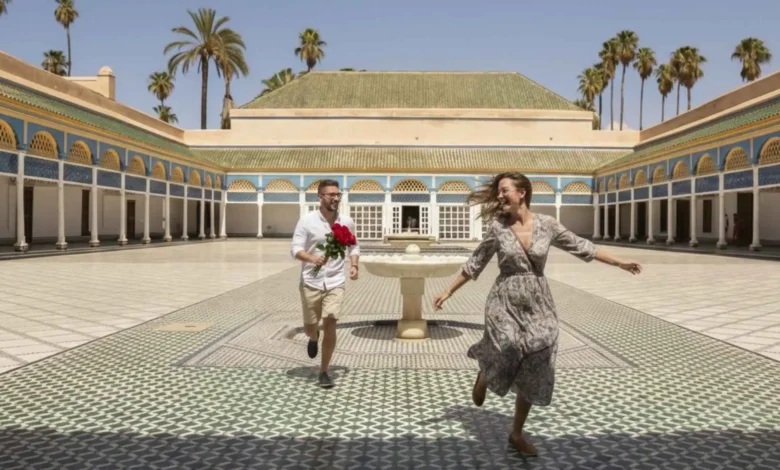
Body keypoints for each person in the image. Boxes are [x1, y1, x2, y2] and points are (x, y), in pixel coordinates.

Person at [432, 172, 641, 456]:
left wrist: (620, 263)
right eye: (499, 192)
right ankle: (485, 370)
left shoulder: (547, 225)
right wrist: (448, 291)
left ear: (522, 193)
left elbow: (583, 247)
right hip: (504, 297)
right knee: (507, 345)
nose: (500, 196)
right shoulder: (497, 227)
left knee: (537, 357)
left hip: (538, 299)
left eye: (504, 191)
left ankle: (516, 433)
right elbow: (475, 263)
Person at [291, 179, 360, 388]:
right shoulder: (307, 221)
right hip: (311, 281)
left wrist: (354, 265)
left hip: (335, 281)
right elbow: (295, 249)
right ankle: (313, 338)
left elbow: (354, 247)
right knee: (310, 328)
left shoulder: (346, 222)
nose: (336, 198)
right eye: (331, 195)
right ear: (320, 197)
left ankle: (324, 371)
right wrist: (312, 259)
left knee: (331, 322)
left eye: (338, 194)